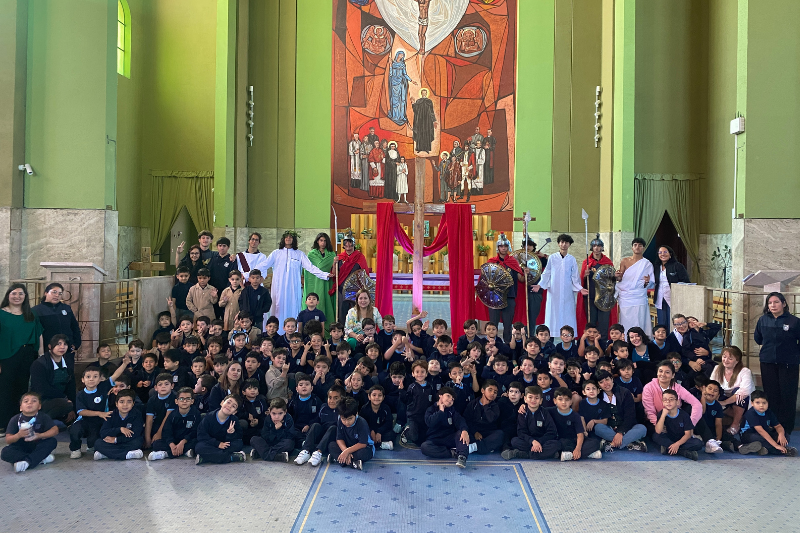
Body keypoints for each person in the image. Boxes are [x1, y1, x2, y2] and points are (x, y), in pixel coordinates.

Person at [262, 232, 330, 335]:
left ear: (294, 240)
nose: (288, 239)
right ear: (283, 239)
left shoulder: (299, 254)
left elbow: (310, 267)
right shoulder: (276, 253)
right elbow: (264, 265)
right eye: (286, 237)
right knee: (277, 308)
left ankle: (293, 333)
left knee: (294, 307)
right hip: (279, 288)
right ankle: (276, 333)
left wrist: (324, 275)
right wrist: (247, 274)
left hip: (293, 288)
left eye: (291, 237)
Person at [753, 292, 800, 433]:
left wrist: (794, 355)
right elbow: (758, 338)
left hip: (788, 363)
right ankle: (773, 425)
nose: (773, 305)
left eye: (776, 302)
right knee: (771, 395)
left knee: (787, 395)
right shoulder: (763, 320)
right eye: (770, 303)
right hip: (767, 362)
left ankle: (786, 427)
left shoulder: (794, 321)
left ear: (784, 304)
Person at [0, 284, 44, 434]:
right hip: (7, 355)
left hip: (28, 354)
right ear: (8, 295)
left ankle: (17, 423)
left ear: (25, 297)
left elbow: (39, 334)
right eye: (14, 293)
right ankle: (3, 424)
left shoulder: (31, 314)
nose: (17, 296)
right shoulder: (1, 314)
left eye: (21, 294)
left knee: (22, 389)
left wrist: (42, 355)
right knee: (5, 389)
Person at [532, 234, 586, 334]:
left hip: (567, 293)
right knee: (552, 315)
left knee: (568, 315)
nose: (564, 244)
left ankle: (568, 337)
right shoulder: (552, 258)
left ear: (569, 244)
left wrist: (580, 288)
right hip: (554, 292)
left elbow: (575, 277)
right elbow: (546, 273)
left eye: (566, 242)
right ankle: (550, 338)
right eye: (562, 242)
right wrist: (540, 285)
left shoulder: (571, 259)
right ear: (558, 244)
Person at [1, 392, 58, 473]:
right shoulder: (15, 419)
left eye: (34, 401)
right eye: (26, 401)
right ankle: (37, 459)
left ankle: (26, 462)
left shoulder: (43, 417)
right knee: (5, 453)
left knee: (52, 441)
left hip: (38, 444)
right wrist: (18, 435)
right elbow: (8, 439)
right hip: (21, 447)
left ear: (39, 406)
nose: (30, 403)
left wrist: (39, 435)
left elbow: (55, 430)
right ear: (21, 407)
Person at [593, 370, 648, 452]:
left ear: (612, 379)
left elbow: (630, 416)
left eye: (607, 380)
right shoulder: (598, 397)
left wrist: (621, 432)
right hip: (610, 428)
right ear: (599, 385)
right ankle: (631, 444)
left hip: (627, 428)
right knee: (598, 428)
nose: (606, 384)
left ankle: (611, 444)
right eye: (601, 382)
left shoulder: (625, 393)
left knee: (642, 429)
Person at [642, 360, 702, 434]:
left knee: (695, 411)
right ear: (657, 373)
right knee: (656, 434)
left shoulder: (677, 387)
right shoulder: (649, 387)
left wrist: (690, 425)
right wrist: (658, 424)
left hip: (675, 419)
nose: (663, 374)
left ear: (673, 375)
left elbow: (696, 403)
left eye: (667, 372)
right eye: (660, 371)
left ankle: (709, 440)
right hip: (658, 420)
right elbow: (649, 411)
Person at [484, 233, 524, 343]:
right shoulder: (491, 262)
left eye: (505, 246)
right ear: (498, 248)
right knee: (493, 325)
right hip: (494, 297)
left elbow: (521, 279)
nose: (503, 248)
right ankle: (492, 346)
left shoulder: (513, 262)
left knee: (508, 325)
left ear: (508, 247)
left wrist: (525, 273)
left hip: (509, 297)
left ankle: (507, 347)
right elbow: (486, 279)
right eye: (501, 246)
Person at [576, 235, 618, 340]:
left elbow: (611, 281)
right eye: (594, 246)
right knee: (591, 323)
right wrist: (584, 275)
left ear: (602, 248)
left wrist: (615, 277)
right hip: (590, 297)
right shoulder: (587, 262)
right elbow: (580, 281)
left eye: (599, 246)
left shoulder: (608, 262)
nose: (596, 248)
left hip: (604, 298)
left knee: (604, 324)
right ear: (592, 248)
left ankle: (602, 345)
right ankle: (591, 346)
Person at [29, 334, 76, 425]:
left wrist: (72, 408)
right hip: (42, 399)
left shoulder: (68, 363)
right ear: (50, 346)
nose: (62, 347)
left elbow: (71, 387)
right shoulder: (39, 364)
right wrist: (64, 398)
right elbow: (41, 388)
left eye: (65, 344)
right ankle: (41, 421)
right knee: (65, 405)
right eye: (58, 344)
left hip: (61, 399)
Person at [709, 345, 755, 434]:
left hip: (741, 402)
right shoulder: (717, 368)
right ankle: (741, 419)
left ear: (737, 361)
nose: (726, 360)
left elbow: (744, 391)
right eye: (724, 357)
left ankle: (735, 424)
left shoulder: (745, 371)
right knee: (713, 392)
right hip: (724, 399)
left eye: (730, 358)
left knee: (739, 394)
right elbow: (711, 386)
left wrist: (725, 402)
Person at [421, 386, 470, 468]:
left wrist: (464, 430)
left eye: (453, 399)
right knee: (425, 447)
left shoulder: (452, 411)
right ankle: (452, 453)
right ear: (440, 395)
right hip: (434, 439)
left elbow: (460, 421)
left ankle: (462, 456)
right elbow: (430, 423)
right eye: (448, 396)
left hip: (448, 438)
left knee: (460, 433)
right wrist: (441, 411)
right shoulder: (431, 409)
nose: (451, 400)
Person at [614, 238, 655, 336]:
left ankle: (640, 340)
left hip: (639, 296)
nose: (637, 247)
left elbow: (650, 282)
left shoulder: (647, 264)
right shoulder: (624, 261)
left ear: (643, 248)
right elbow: (621, 278)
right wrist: (617, 276)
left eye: (640, 245)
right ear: (632, 248)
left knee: (639, 320)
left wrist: (647, 282)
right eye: (635, 245)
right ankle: (626, 340)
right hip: (626, 296)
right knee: (625, 320)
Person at [148, 387, 202, 461]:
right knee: (156, 444)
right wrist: (171, 444)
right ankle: (184, 452)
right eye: (181, 399)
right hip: (174, 440)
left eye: (188, 399)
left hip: (187, 441)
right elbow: (167, 432)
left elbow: (195, 431)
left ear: (192, 401)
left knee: (198, 442)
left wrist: (183, 442)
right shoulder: (172, 415)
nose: (184, 401)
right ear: (176, 401)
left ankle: (167, 454)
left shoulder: (196, 414)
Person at [738, 390, 797, 456]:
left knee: (786, 436)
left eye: (764, 403)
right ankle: (783, 450)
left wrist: (781, 435)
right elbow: (761, 431)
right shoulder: (751, 413)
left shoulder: (768, 412)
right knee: (759, 439)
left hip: (765, 433)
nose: (761, 405)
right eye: (757, 403)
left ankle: (763, 449)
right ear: (752, 403)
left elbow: (778, 426)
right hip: (749, 435)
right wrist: (776, 445)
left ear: (767, 403)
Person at [93, 389, 145, 461]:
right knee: (98, 443)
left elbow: (136, 433)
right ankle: (127, 455)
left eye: (129, 402)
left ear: (133, 404)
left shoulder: (137, 414)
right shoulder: (111, 415)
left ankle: (106, 454)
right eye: (122, 402)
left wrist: (116, 440)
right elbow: (103, 433)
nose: (125, 405)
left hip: (126, 441)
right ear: (116, 404)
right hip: (112, 442)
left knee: (138, 442)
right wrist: (120, 429)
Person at [652, 389, 703, 460]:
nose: (668, 402)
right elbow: (658, 431)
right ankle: (682, 452)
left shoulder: (684, 415)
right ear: (663, 402)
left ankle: (669, 449)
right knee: (656, 436)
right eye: (665, 400)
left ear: (677, 402)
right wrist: (663, 415)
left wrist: (677, 444)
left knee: (698, 443)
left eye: (671, 399)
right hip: (669, 438)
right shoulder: (662, 413)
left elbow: (688, 434)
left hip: (682, 440)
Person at [194, 395, 247, 465]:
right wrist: (217, 443)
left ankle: (206, 457)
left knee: (238, 444)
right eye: (228, 402)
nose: (230, 406)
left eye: (233, 406)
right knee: (199, 447)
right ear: (222, 403)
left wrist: (231, 433)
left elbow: (238, 436)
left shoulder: (234, 420)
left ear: (234, 412)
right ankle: (231, 457)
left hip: (225, 444)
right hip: (212, 443)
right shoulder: (208, 417)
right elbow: (201, 435)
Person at [329, 233, 369, 323]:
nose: (348, 246)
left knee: (357, 310)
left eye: (350, 243)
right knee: (342, 311)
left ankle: (358, 328)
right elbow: (334, 274)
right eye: (346, 243)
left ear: (353, 244)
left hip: (356, 289)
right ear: (343, 245)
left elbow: (364, 273)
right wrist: (334, 263)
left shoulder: (360, 257)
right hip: (342, 288)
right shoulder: (339, 257)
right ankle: (343, 331)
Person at [32, 283, 81, 354]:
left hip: (66, 349)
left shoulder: (66, 308)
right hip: (47, 350)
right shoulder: (36, 310)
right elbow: (36, 333)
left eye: (60, 293)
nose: (57, 295)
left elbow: (74, 327)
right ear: (45, 293)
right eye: (54, 292)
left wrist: (76, 344)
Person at [328, 396, 373, 470]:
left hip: (362, 447)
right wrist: (345, 451)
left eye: (350, 419)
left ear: (356, 414)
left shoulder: (362, 423)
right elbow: (339, 439)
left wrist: (347, 452)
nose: (346, 422)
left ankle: (339, 460)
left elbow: (363, 444)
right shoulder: (340, 420)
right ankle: (353, 462)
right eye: (343, 419)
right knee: (331, 445)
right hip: (347, 446)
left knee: (365, 453)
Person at [652, 245, 690, 326]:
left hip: (674, 298)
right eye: (660, 252)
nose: (663, 254)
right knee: (662, 323)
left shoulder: (677, 266)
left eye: (665, 252)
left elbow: (686, 282)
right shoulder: (656, 267)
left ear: (670, 254)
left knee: (673, 323)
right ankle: (663, 338)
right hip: (660, 298)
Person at [304, 233, 335, 328]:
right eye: (321, 240)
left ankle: (327, 327)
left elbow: (333, 270)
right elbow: (316, 267)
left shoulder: (332, 254)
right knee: (316, 300)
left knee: (327, 302)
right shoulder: (312, 254)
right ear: (317, 241)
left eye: (325, 241)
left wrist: (334, 263)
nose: (323, 243)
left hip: (328, 282)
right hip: (316, 282)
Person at [249, 397, 294, 462]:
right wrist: (274, 430)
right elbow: (264, 436)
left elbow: (290, 436)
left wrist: (279, 430)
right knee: (254, 439)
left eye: (280, 413)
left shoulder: (289, 419)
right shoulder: (268, 419)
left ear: (285, 412)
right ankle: (277, 456)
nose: (276, 417)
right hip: (269, 443)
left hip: (280, 444)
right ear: (269, 412)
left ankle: (262, 454)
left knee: (290, 443)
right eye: (274, 413)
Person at [520, 238, 548, 330]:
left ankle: (531, 336)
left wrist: (543, 255)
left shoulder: (541, 259)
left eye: (530, 245)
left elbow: (552, 264)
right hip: (521, 292)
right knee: (521, 317)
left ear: (534, 247)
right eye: (525, 245)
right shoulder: (519, 259)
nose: (527, 247)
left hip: (535, 292)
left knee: (532, 316)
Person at [411, 88, 437, 153]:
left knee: (427, 133)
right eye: (423, 93)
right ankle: (419, 148)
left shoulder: (429, 101)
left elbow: (431, 111)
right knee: (420, 133)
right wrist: (413, 103)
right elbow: (415, 111)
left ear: (426, 94)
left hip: (427, 121)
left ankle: (427, 148)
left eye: (425, 93)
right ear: (421, 93)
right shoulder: (418, 101)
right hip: (420, 120)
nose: (424, 94)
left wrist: (434, 120)